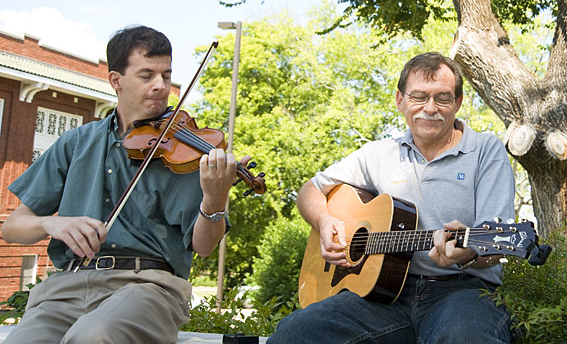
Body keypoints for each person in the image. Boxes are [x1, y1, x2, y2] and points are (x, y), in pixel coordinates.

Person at [1, 25, 248, 343]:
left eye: (166, 75)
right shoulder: (76, 142)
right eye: (146, 75)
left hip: (148, 286)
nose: (161, 86)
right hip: (69, 285)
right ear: (116, 81)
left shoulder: (186, 152)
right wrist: (53, 224)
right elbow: (13, 228)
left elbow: (204, 245)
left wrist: (215, 199)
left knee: (94, 336)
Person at [268, 52, 515, 343]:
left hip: (464, 292)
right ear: (400, 100)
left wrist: (471, 253)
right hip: (381, 297)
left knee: (464, 337)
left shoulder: (485, 150)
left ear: (458, 103)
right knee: (294, 334)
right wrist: (324, 222)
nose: (430, 108)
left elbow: (498, 246)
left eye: (443, 98)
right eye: (419, 96)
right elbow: (310, 190)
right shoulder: (379, 153)